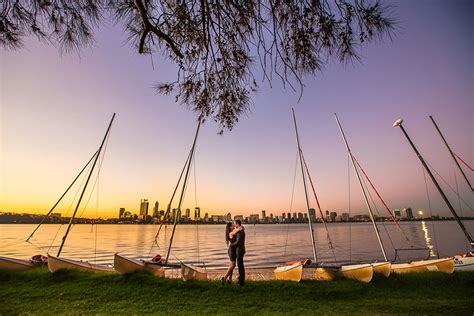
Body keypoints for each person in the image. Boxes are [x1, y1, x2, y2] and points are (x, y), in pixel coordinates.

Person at [231, 219, 246, 286]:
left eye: (234, 223)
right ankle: (240, 279)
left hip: (240, 251)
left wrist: (232, 245)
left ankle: (241, 282)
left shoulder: (240, 232)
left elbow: (238, 242)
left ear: (237, 224)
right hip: (240, 250)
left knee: (240, 266)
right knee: (240, 266)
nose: (234, 225)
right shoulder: (240, 230)